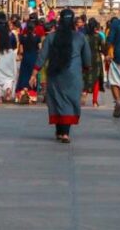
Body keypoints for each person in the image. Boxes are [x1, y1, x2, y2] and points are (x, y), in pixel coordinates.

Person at [30, 9, 91, 143]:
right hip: (73, 74)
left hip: (55, 73)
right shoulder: (80, 37)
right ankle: (65, 133)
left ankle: (59, 131)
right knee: (70, 101)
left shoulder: (51, 37)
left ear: (60, 21)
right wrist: (86, 70)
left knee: (57, 100)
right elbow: (87, 58)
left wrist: (34, 74)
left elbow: (42, 56)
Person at [15, 17, 41, 103]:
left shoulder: (22, 37)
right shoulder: (37, 37)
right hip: (34, 57)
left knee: (24, 75)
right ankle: (32, 94)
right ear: (34, 28)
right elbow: (40, 49)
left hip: (25, 57)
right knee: (32, 75)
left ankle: (22, 93)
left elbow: (21, 50)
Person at [0, 13, 17, 103]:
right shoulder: (10, 32)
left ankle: (0, 96)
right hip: (9, 53)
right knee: (10, 74)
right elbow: (14, 45)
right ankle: (8, 88)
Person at [83, 18, 105, 107]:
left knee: (85, 77)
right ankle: (95, 101)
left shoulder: (84, 37)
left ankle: (84, 93)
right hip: (96, 59)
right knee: (96, 79)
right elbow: (103, 49)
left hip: (86, 58)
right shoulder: (99, 36)